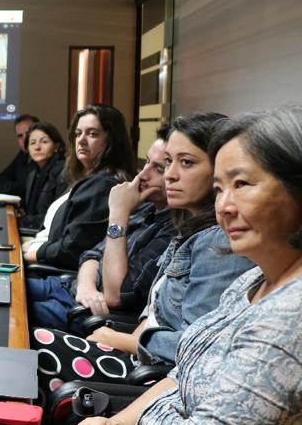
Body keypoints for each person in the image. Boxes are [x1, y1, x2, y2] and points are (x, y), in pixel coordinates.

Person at [38, 107, 302, 425]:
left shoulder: (290, 318)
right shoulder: (255, 280)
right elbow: (182, 372)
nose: (224, 206)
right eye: (219, 188)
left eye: (242, 184)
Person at [32, 114, 252, 391]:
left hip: (151, 372)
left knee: (29, 341)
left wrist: (123, 339)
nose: (169, 174)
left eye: (186, 163)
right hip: (124, 338)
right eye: (167, 162)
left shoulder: (217, 241)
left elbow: (193, 343)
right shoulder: (182, 225)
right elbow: (94, 255)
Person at [25, 129, 173, 328]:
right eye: (146, 162)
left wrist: (118, 215)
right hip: (72, 286)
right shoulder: (146, 207)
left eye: (159, 169)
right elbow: (92, 254)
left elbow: (116, 295)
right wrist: (85, 286)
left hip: (86, 312)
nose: (143, 175)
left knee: (4, 315)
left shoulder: (170, 230)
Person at [23, 105, 136, 270]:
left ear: (111, 140)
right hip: (41, 253)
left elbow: (71, 250)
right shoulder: (83, 177)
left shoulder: (102, 185)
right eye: (78, 133)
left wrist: (31, 254)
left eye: (92, 134)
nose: (81, 140)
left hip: (51, 270)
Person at [20, 121, 68, 231]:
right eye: (32, 143)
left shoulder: (63, 172)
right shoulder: (33, 172)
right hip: (34, 228)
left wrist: (24, 220)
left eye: (44, 142)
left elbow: (58, 215)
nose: (37, 147)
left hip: (50, 232)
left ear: (56, 146)